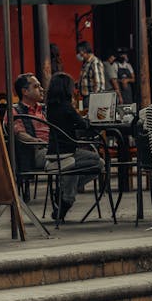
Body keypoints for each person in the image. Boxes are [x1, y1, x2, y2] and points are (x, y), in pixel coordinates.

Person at [44, 72, 103, 222]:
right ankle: (66, 199)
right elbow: (84, 125)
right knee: (98, 162)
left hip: (53, 151)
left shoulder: (50, 107)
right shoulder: (67, 107)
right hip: (67, 151)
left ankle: (65, 195)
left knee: (73, 167)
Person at [8, 73, 49, 171]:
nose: (42, 89)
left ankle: (69, 186)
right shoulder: (15, 111)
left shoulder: (44, 109)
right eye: (36, 86)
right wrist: (37, 141)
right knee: (71, 159)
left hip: (52, 147)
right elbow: (19, 134)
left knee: (90, 160)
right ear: (25, 91)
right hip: (34, 152)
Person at [75, 41, 105, 111]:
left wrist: (94, 100)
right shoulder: (86, 63)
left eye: (79, 52)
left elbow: (99, 84)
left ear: (84, 51)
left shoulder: (95, 62)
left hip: (92, 98)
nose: (78, 55)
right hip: (86, 97)